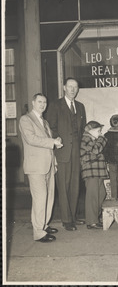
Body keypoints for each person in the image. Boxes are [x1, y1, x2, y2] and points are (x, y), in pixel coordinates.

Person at [19, 93, 63, 242]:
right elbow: (31, 139)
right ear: (33, 103)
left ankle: (43, 225)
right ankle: (38, 232)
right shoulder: (26, 119)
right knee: (40, 198)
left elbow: (47, 144)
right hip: (36, 167)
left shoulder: (44, 122)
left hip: (48, 165)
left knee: (49, 197)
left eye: (44, 102)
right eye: (39, 102)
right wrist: (52, 141)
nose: (42, 104)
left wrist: (54, 162)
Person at [46, 77, 86, 231]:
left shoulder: (81, 107)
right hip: (62, 151)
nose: (72, 89)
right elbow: (51, 129)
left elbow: (82, 131)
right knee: (64, 185)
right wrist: (56, 144)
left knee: (75, 185)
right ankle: (66, 219)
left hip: (76, 151)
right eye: (70, 86)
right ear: (64, 88)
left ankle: (73, 216)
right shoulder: (56, 105)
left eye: (75, 87)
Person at [80, 121, 108, 229]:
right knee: (93, 197)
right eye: (98, 131)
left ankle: (94, 218)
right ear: (90, 130)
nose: (100, 133)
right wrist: (102, 139)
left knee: (101, 193)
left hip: (97, 172)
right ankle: (91, 222)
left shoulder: (93, 140)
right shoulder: (86, 139)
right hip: (91, 172)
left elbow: (95, 153)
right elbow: (96, 150)